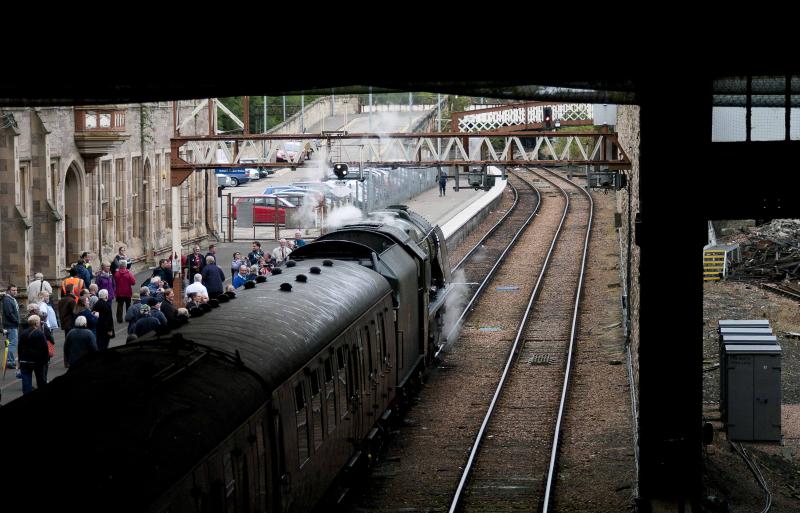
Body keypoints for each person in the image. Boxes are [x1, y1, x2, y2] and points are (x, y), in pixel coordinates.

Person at [17, 314, 48, 394]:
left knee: (26, 381)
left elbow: (19, 347)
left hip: (25, 361)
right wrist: (45, 360)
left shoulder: (23, 333)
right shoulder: (40, 333)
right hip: (37, 361)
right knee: (40, 380)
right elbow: (45, 348)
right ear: (36, 323)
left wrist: (20, 360)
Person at [1, 284, 21, 369]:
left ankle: (10, 361)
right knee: (12, 343)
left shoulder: (11, 299)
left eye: (16, 290)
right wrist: (17, 321)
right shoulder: (7, 300)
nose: (15, 292)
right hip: (11, 325)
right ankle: (10, 362)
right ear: (9, 290)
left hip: (11, 324)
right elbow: (9, 313)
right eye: (13, 290)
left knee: (10, 343)